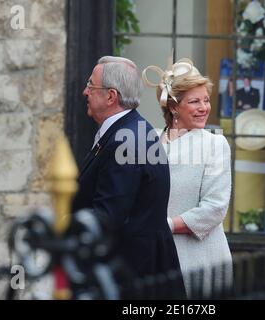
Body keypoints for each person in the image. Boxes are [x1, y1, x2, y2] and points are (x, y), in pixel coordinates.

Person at [72, 56, 184, 295]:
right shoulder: (131, 129)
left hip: (132, 277)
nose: (84, 92)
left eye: (91, 85)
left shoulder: (127, 138)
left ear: (111, 96)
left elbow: (108, 216)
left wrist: (62, 223)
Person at [142, 57, 233, 297]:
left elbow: (214, 207)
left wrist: (167, 225)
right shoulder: (149, 142)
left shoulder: (215, 143)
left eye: (206, 100)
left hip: (201, 259)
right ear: (173, 107)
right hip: (157, 259)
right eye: (194, 101)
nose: (204, 107)